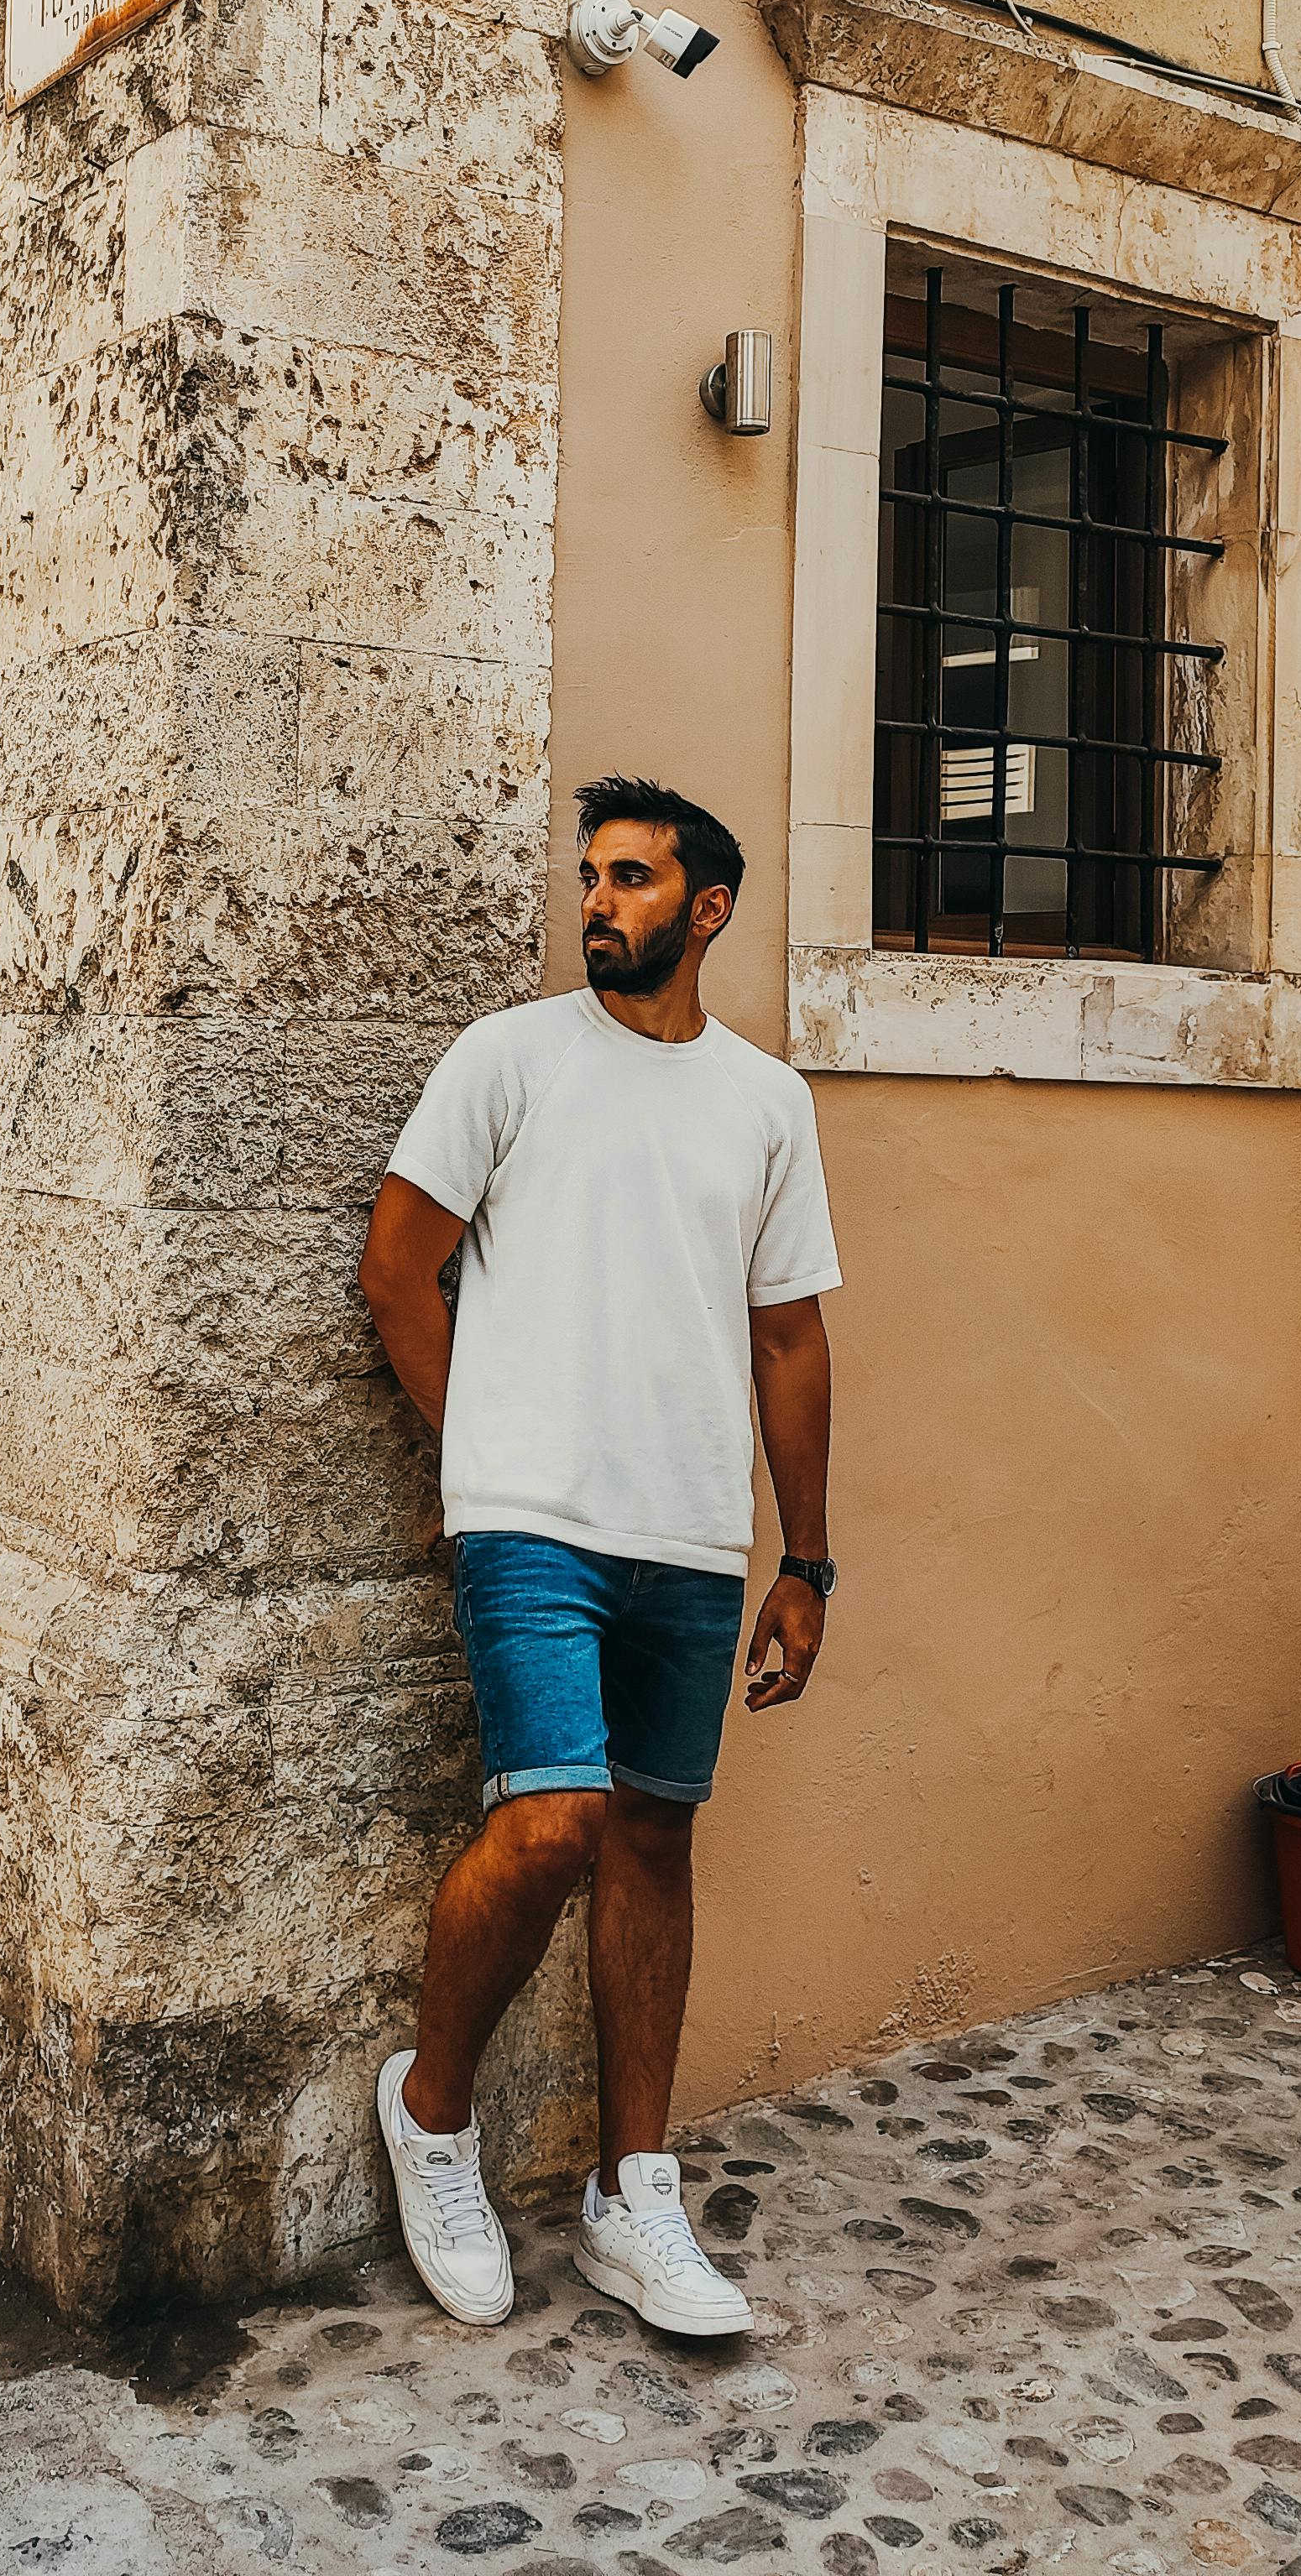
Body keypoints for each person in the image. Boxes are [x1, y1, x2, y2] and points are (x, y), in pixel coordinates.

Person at [356, 777, 840, 2336]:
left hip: (693, 1537)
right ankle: (433, 2113)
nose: (598, 901)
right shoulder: (509, 1060)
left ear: (706, 909)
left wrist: (810, 1561)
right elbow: (396, 1270)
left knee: (652, 1843)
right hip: (533, 1524)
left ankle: (638, 2198)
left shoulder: (766, 1104)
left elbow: (790, 1337)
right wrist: (481, 1452)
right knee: (554, 1821)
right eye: (590, 876)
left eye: (632, 879)